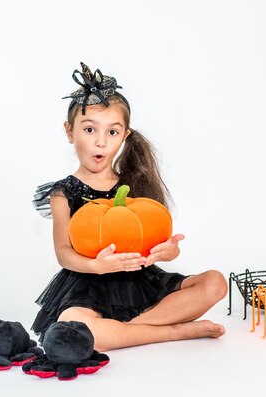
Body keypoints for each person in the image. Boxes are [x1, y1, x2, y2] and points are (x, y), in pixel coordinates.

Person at [31, 62, 227, 352]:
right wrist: (96, 266)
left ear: (124, 136)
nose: (100, 142)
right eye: (89, 129)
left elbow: (152, 239)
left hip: (140, 281)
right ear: (69, 131)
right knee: (76, 328)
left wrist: (170, 250)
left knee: (215, 283)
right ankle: (173, 331)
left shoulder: (132, 185)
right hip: (89, 282)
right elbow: (64, 253)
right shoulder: (63, 193)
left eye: (112, 132)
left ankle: (125, 332)